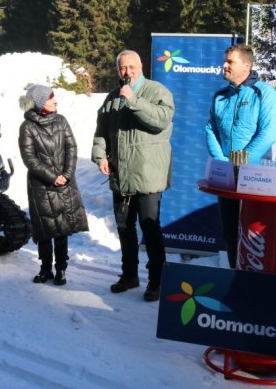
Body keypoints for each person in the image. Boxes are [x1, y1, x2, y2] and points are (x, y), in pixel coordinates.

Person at [92, 50, 174, 302]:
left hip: (148, 174)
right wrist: (100, 156)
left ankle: (157, 280)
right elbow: (102, 130)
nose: (127, 72)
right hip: (121, 173)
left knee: (150, 229)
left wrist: (134, 100)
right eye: (122, 68)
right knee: (125, 227)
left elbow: (162, 120)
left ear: (141, 66)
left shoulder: (157, 91)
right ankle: (129, 275)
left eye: (131, 67)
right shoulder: (112, 97)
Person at [205, 44, 276, 268]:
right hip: (226, 177)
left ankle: (255, 287)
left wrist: (241, 163)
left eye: (230, 62)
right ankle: (233, 280)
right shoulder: (220, 97)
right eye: (225, 61)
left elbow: (267, 133)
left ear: (246, 66)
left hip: (255, 178)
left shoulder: (264, 93)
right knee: (230, 234)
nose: (224, 65)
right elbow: (211, 129)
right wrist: (222, 163)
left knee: (254, 236)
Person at [19, 84, 88, 286]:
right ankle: (45, 268)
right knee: (44, 228)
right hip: (41, 185)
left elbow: (72, 148)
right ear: (40, 102)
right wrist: (52, 177)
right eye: (50, 98)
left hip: (64, 183)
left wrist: (66, 174)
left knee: (62, 228)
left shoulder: (61, 120)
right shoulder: (27, 127)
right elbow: (29, 158)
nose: (55, 101)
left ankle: (61, 269)